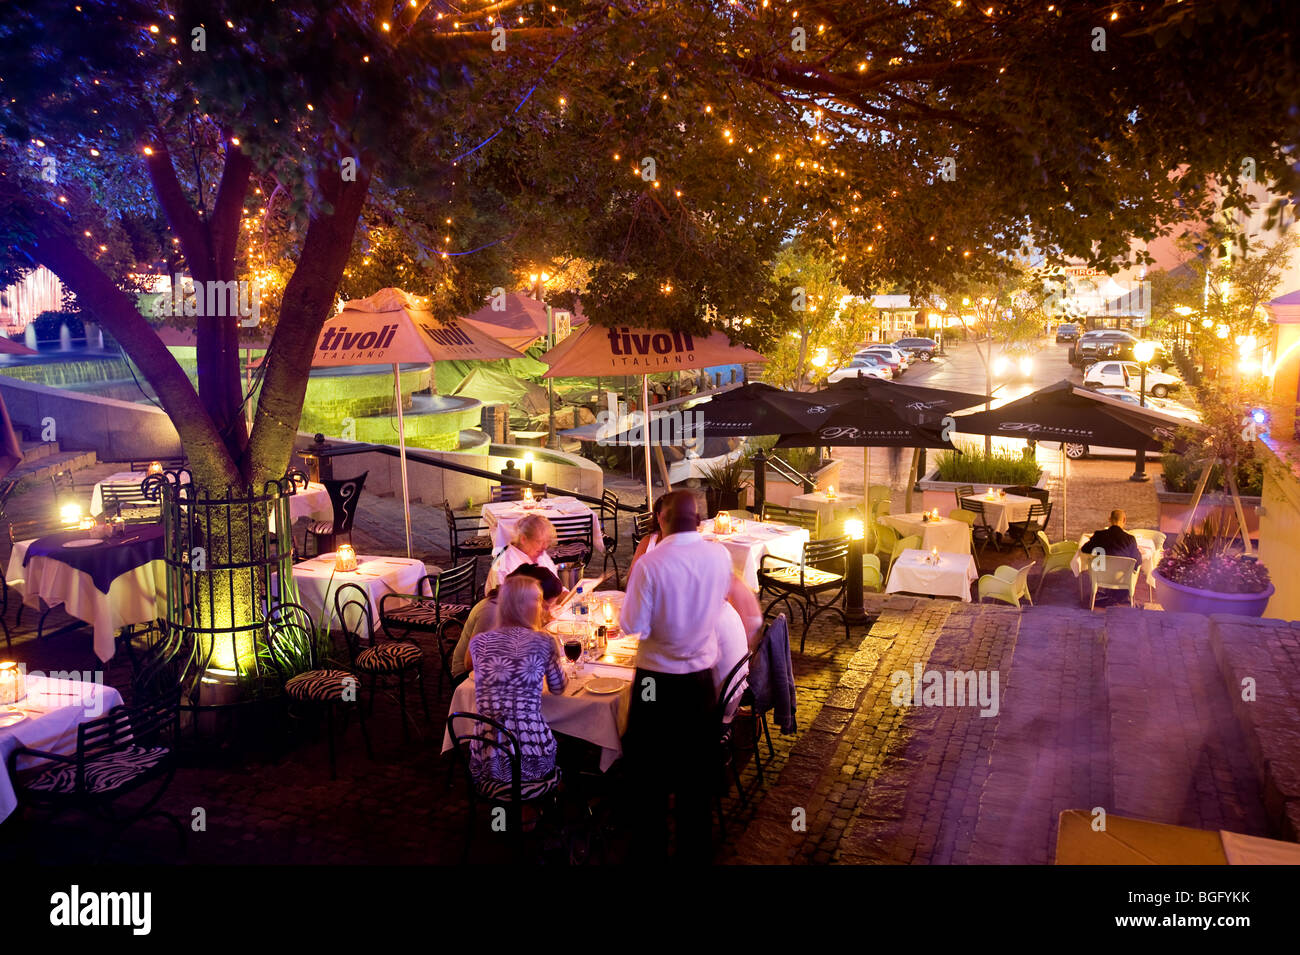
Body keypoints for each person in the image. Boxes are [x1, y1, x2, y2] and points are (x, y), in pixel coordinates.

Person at [619, 490, 762, 862]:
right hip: (700, 682)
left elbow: (631, 624)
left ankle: (648, 852)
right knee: (694, 783)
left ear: (661, 520)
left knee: (649, 779)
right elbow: (748, 610)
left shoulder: (651, 564)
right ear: (697, 519)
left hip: (653, 683)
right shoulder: (717, 556)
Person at [466, 575, 567, 794]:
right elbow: (559, 688)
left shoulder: (478, 643)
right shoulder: (544, 641)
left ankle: (511, 811)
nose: (542, 606)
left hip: (485, 753)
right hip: (530, 756)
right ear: (524, 606)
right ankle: (537, 802)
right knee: (566, 745)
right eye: (538, 600)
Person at [452, 563, 565, 679]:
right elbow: (470, 663)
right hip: (467, 677)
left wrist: (544, 619)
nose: (547, 610)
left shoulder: (516, 605)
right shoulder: (492, 611)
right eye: (545, 605)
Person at [485, 513, 559, 591]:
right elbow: (503, 601)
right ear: (523, 539)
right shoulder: (504, 565)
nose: (545, 546)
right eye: (539, 541)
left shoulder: (541, 555)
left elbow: (555, 584)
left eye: (547, 542)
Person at [627, 493, 669, 577]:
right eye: (667, 516)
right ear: (658, 517)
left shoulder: (689, 547)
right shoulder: (648, 543)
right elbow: (632, 576)